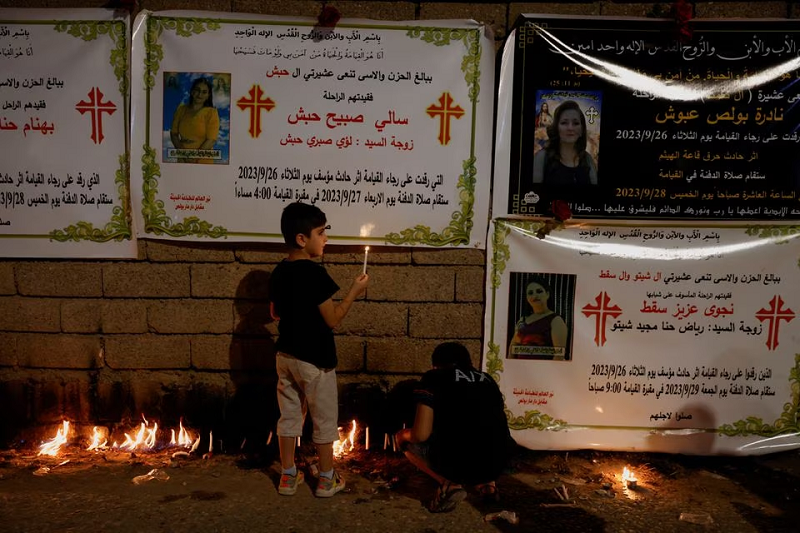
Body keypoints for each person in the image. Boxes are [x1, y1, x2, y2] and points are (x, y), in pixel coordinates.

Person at [268, 202, 369, 498]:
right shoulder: (315, 275)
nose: (326, 239)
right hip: (316, 361)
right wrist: (354, 291)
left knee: (288, 417)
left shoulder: (278, 271)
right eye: (321, 232)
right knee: (324, 420)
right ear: (302, 239)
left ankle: (288, 476)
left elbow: (274, 313)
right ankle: (326, 479)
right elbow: (333, 319)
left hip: (285, 357)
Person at [395, 342, 512, 513]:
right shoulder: (487, 379)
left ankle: (448, 484)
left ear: (436, 365)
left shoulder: (433, 378)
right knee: (482, 438)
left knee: (408, 443)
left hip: (457, 464)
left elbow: (420, 435)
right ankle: (488, 485)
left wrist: (402, 436)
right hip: (499, 461)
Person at [533, 100, 598, 185]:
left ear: (582, 130)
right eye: (564, 123)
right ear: (556, 128)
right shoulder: (542, 158)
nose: (570, 128)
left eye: (576, 123)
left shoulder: (588, 160)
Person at [508, 278, 568, 360]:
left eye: (539, 291)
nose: (534, 296)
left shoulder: (556, 320)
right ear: (527, 298)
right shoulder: (522, 320)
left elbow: (559, 356)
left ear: (547, 294)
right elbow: (512, 350)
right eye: (530, 293)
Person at [169, 77, 219, 163]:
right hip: (183, 159)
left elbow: (211, 140)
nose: (200, 94)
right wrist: (184, 154)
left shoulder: (212, 113)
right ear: (192, 91)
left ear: (208, 96)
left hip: (203, 161)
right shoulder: (181, 109)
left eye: (204, 92)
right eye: (197, 90)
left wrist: (194, 156)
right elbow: (174, 134)